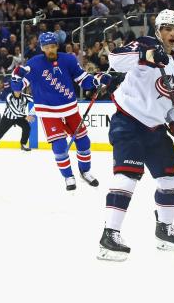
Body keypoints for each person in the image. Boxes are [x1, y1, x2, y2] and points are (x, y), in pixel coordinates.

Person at [97, 9, 174, 261]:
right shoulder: (145, 44)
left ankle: (164, 231)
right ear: (158, 30)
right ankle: (110, 235)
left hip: (155, 128)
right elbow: (115, 60)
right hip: (128, 121)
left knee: (171, 180)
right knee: (127, 177)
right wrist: (147, 55)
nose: (172, 34)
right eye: (167, 29)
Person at [9, 31, 105, 190]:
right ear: (42, 48)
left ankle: (85, 171)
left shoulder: (68, 59)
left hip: (70, 109)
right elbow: (17, 89)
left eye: (53, 46)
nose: (50, 50)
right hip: (48, 112)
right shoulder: (33, 64)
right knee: (60, 146)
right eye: (46, 47)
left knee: (84, 142)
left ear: (57, 45)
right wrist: (16, 77)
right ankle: (68, 176)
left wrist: (95, 82)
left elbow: (83, 79)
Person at [0, 87, 32, 153]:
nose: (17, 92)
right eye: (16, 90)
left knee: (27, 128)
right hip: (8, 117)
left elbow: (37, 100)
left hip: (20, 118)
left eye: (19, 90)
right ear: (13, 90)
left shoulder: (25, 97)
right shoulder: (9, 96)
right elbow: (15, 111)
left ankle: (23, 144)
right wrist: (25, 116)